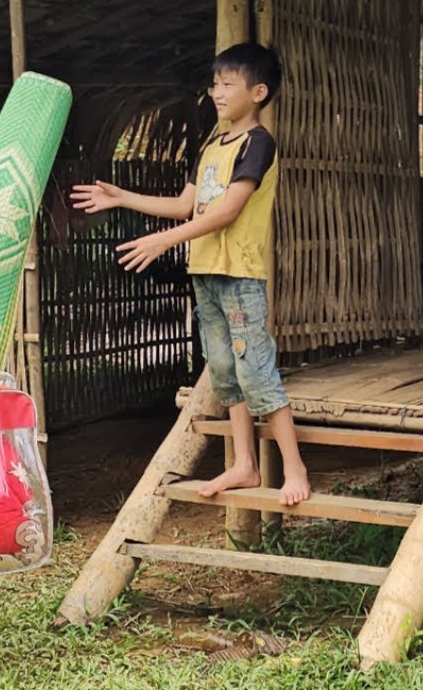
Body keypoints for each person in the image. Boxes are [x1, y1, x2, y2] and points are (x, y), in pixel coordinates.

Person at [71, 42, 311, 508]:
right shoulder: (210, 145)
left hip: (239, 272)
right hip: (205, 270)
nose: (217, 92)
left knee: (256, 371)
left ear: (258, 92)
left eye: (228, 84)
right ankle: (244, 463)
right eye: (215, 83)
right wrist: (122, 197)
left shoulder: (257, 144)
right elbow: (187, 205)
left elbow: (229, 210)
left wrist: (165, 240)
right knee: (224, 370)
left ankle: (295, 467)